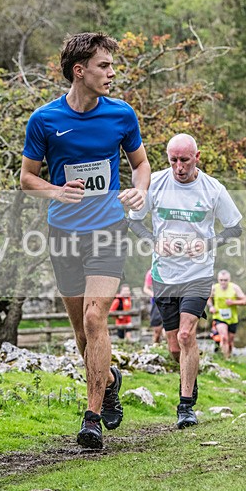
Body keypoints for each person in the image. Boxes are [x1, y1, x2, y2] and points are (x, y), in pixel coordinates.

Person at [20, 32, 150, 449]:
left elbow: (141, 164)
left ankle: (91, 416)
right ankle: (109, 379)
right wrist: (55, 190)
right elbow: (26, 178)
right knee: (81, 332)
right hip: (64, 232)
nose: (112, 73)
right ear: (80, 71)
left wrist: (140, 190)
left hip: (109, 228)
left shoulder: (122, 115)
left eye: (112, 66)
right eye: (104, 66)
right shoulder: (44, 120)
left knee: (97, 319)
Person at [130, 133, 243, 429]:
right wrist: (153, 241)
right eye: (173, 160)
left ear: (198, 157)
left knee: (185, 335)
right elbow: (133, 220)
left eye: (185, 160)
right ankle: (190, 382)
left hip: (198, 273)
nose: (179, 167)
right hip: (164, 275)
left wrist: (208, 244)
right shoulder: (154, 183)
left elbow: (235, 228)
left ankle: (186, 406)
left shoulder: (213, 189)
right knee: (174, 347)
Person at [207, 270, 246, 360]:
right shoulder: (214, 288)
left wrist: (233, 302)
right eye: (221, 280)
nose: (223, 282)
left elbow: (245, 301)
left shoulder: (234, 288)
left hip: (232, 318)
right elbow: (208, 299)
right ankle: (225, 359)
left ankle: (229, 357)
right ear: (218, 279)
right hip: (219, 317)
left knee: (230, 341)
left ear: (229, 279)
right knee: (224, 338)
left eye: (225, 280)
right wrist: (211, 307)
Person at [143, 268, 164, 344]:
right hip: (156, 302)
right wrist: (153, 295)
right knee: (157, 330)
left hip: (169, 299)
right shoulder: (151, 272)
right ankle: (156, 345)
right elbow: (145, 288)